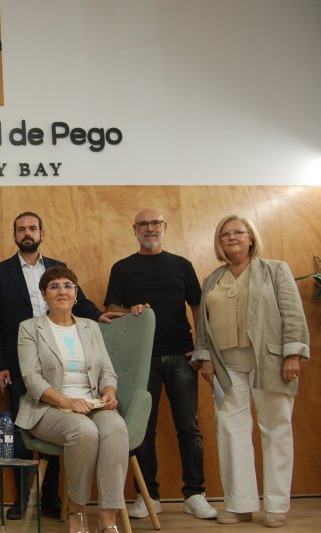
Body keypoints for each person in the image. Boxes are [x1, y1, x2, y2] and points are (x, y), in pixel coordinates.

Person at [0, 211, 120, 519]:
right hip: (21, 363)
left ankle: (51, 498)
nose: (27, 233)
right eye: (21, 229)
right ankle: (22, 498)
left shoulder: (57, 268)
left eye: (32, 228)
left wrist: (100, 316)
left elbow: (78, 302)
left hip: (60, 362)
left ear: (41, 233)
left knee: (64, 432)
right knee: (21, 432)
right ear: (15, 235)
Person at [192, 215, 309, 529]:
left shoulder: (275, 270)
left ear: (251, 238)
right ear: (219, 242)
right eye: (225, 234)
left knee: (276, 429)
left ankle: (276, 506)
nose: (231, 237)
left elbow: (292, 314)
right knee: (231, 432)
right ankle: (240, 505)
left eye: (238, 232)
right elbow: (203, 324)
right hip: (226, 366)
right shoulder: (212, 279)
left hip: (270, 361)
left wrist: (292, 355)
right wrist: (205, 359)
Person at [104, 208, 217, 520]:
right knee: (142, 429)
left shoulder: (182, 265)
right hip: (140, 361)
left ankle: (195, 494)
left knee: (189, 428)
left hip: (182, 356)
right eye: (143, 224)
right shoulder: (122, 268)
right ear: (135, 230)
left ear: (164, 227)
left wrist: (201, 349)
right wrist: (130, 312)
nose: (149, 228)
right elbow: (111, 309)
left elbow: (197, 306)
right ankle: (148, 497)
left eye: (155, 223)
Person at [15, 266, 127, 533]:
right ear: (44, 295)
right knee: (84, 430)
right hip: (48, 407)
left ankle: (108, 518)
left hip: (92, 403)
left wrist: (109, 392)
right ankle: (77, 511)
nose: (61, 291)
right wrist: (68, 402)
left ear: (76, 294)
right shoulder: (30, 328)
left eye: (67, 286)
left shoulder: (90, 327)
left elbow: (107, 370)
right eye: (54, 286)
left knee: (116, 428)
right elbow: (31, 378)